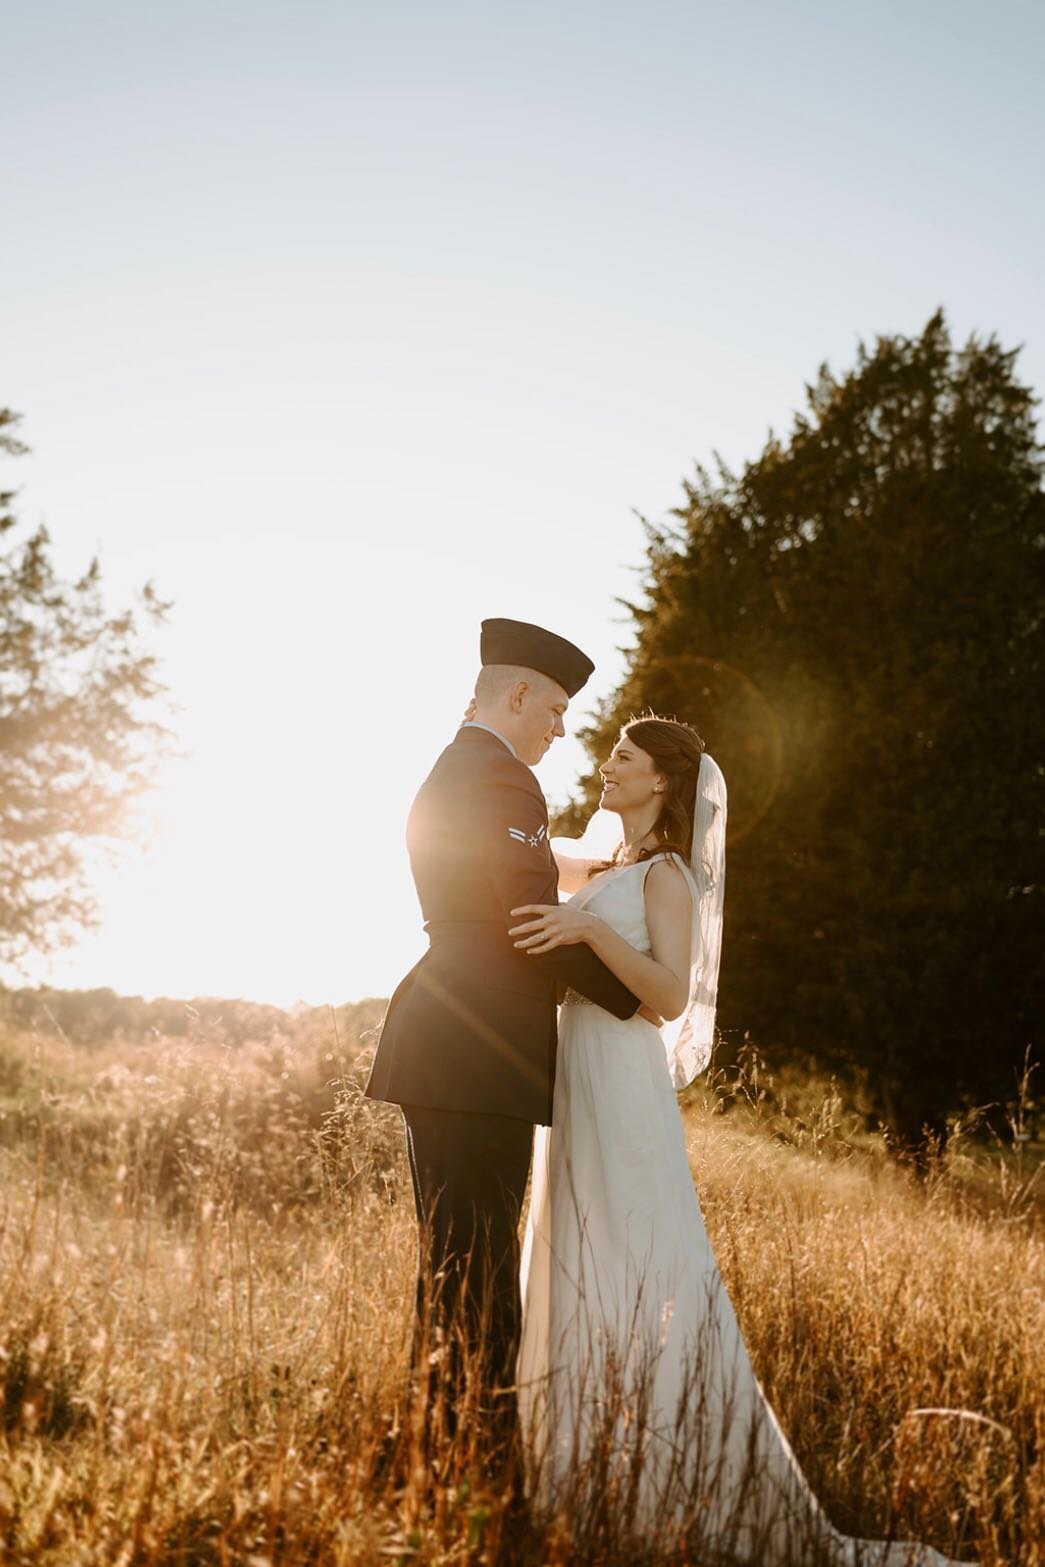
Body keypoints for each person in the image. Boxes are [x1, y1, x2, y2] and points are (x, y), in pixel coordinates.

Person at [512, 715, 969, 1565]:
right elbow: (527, 851)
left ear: (661, 781)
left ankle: (681, 1467)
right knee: (578, 1248)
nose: (605, 765)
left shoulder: (668, 877)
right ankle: (581, 1465)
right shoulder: (611, 864)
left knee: (641, 1250)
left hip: (621, 1080)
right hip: (576, 1074)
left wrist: (588, 931)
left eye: (623, 756)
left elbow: (667, 997)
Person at [364, 618, 642, 1450]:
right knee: (478, 1269)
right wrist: (636, 998)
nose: (560, 729)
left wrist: (608, 873)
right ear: (516, 694)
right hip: (474, 1046)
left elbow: (517, 881)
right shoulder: (502, 777)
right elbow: (529, 918)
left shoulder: (463, 768)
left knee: (453, 1262)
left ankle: (435, 1446)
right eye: (554, 709)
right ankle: (480, 1458)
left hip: (447, 1040)